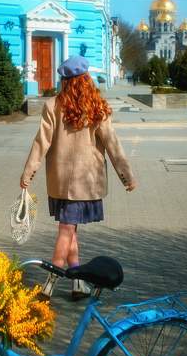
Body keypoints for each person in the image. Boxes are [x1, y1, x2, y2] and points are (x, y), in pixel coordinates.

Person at [20, 55, 137, 300]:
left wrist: (28, 172)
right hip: (86, 182)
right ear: (86, 79)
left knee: (68, 230)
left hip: (60, 183)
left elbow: (41, 143)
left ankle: (65, 284)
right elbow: (113, 145)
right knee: (68, 230)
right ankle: (62, 284)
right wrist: (127, 177)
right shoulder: (97, 107)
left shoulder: (53, 105)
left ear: (65, 80)